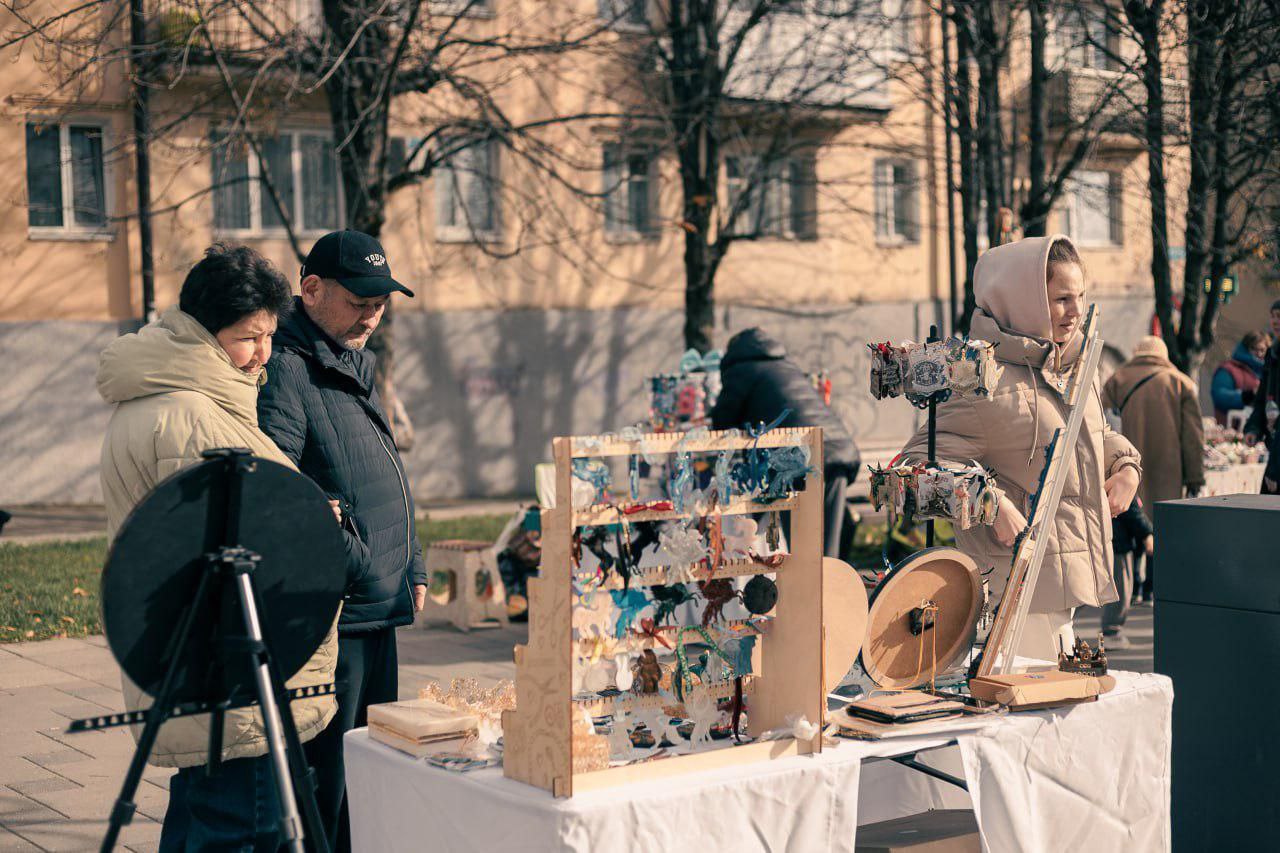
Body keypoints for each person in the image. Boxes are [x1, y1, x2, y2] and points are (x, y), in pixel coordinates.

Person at [97, 244, 338, 850]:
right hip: (230, 665)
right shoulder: (190, 415)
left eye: (269, 335)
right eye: (247, 338)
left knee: (204, 815)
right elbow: (223, 546)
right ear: (205, 333)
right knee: (242, 823)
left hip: (202, 657)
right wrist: (311, 520)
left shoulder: (180, 397)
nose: (262, 354)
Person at [258, 229, 426, 852]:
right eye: (359, 300)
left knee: (371, 773)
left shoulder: (354, 361)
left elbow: (385, 475)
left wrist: (413, 564)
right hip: (339, 610)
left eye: (381, 300)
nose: (372, 312)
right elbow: (281, 480)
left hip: (378, 601)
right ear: (311, 289)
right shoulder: (286, 367)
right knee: (328, 782)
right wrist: (361, 564)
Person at [900, 236, 1142, 659]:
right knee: (1034, 715)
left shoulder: (1072, 364)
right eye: (1061, 298)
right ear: (1025, 300)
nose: (1076, 311)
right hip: (1015, 592)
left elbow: (1096, 435)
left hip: (1068, 583)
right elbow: (913, 467)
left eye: (1081, 296)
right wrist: (988, 502)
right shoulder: (981, 380)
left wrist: (1125, 467)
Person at [710, 327, 861, 557]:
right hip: (837, 452)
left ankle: (810, 591)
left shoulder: (741, 369)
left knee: (803, 552)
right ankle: (830, 590)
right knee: (826, 551)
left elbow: (723, 420)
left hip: (796, 462)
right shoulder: (787, 366)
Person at [1101, 335, 1204, 603]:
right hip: (1168, 467)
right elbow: (1193, 436)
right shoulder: (1181, 383)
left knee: (1132, 519)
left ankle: (1131, 586)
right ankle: (1152, 586)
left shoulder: (1118, 379)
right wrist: (1195, 475)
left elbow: (1101, 418)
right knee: (1161, 526)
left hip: (1125, 465)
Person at [1102, 498, 1154, 649]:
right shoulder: (1122, 476)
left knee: (1087, 586)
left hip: (1109, 537)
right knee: (1121, 588)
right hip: (1118, 541)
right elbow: (1130, 509)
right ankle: (1111, 632)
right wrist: (1147, 533)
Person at [1244, 299, 1280, 493]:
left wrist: (1275, 469)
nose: (1275, 322)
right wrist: (1254, 428)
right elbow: (1262, 401)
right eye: (1273, 316)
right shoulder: (1272, 355)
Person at [1210, 331, 1268, 425]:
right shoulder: (1228, 369)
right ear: (1245, 349)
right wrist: (1249, 395)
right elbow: (1220, 396)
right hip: (1231, 430)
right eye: (1254, 349)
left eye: (1262, 350)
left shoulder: (1269, 371)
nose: (1259, 354)